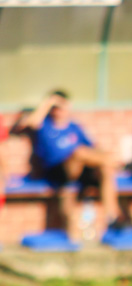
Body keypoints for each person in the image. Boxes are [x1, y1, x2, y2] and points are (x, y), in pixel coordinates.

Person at [21, 90, 123, 236]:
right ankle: (118, 163)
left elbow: (93, 148)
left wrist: (103, 154)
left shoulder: (74, 127)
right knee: (79, 152)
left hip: (78, 170)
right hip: (56, 171)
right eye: (56, 107)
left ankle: (112, 217)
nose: (59, 110)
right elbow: (31, 122)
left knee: (106, 169)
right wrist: (49, 101)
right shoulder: (45, 125)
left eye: (62, 106)